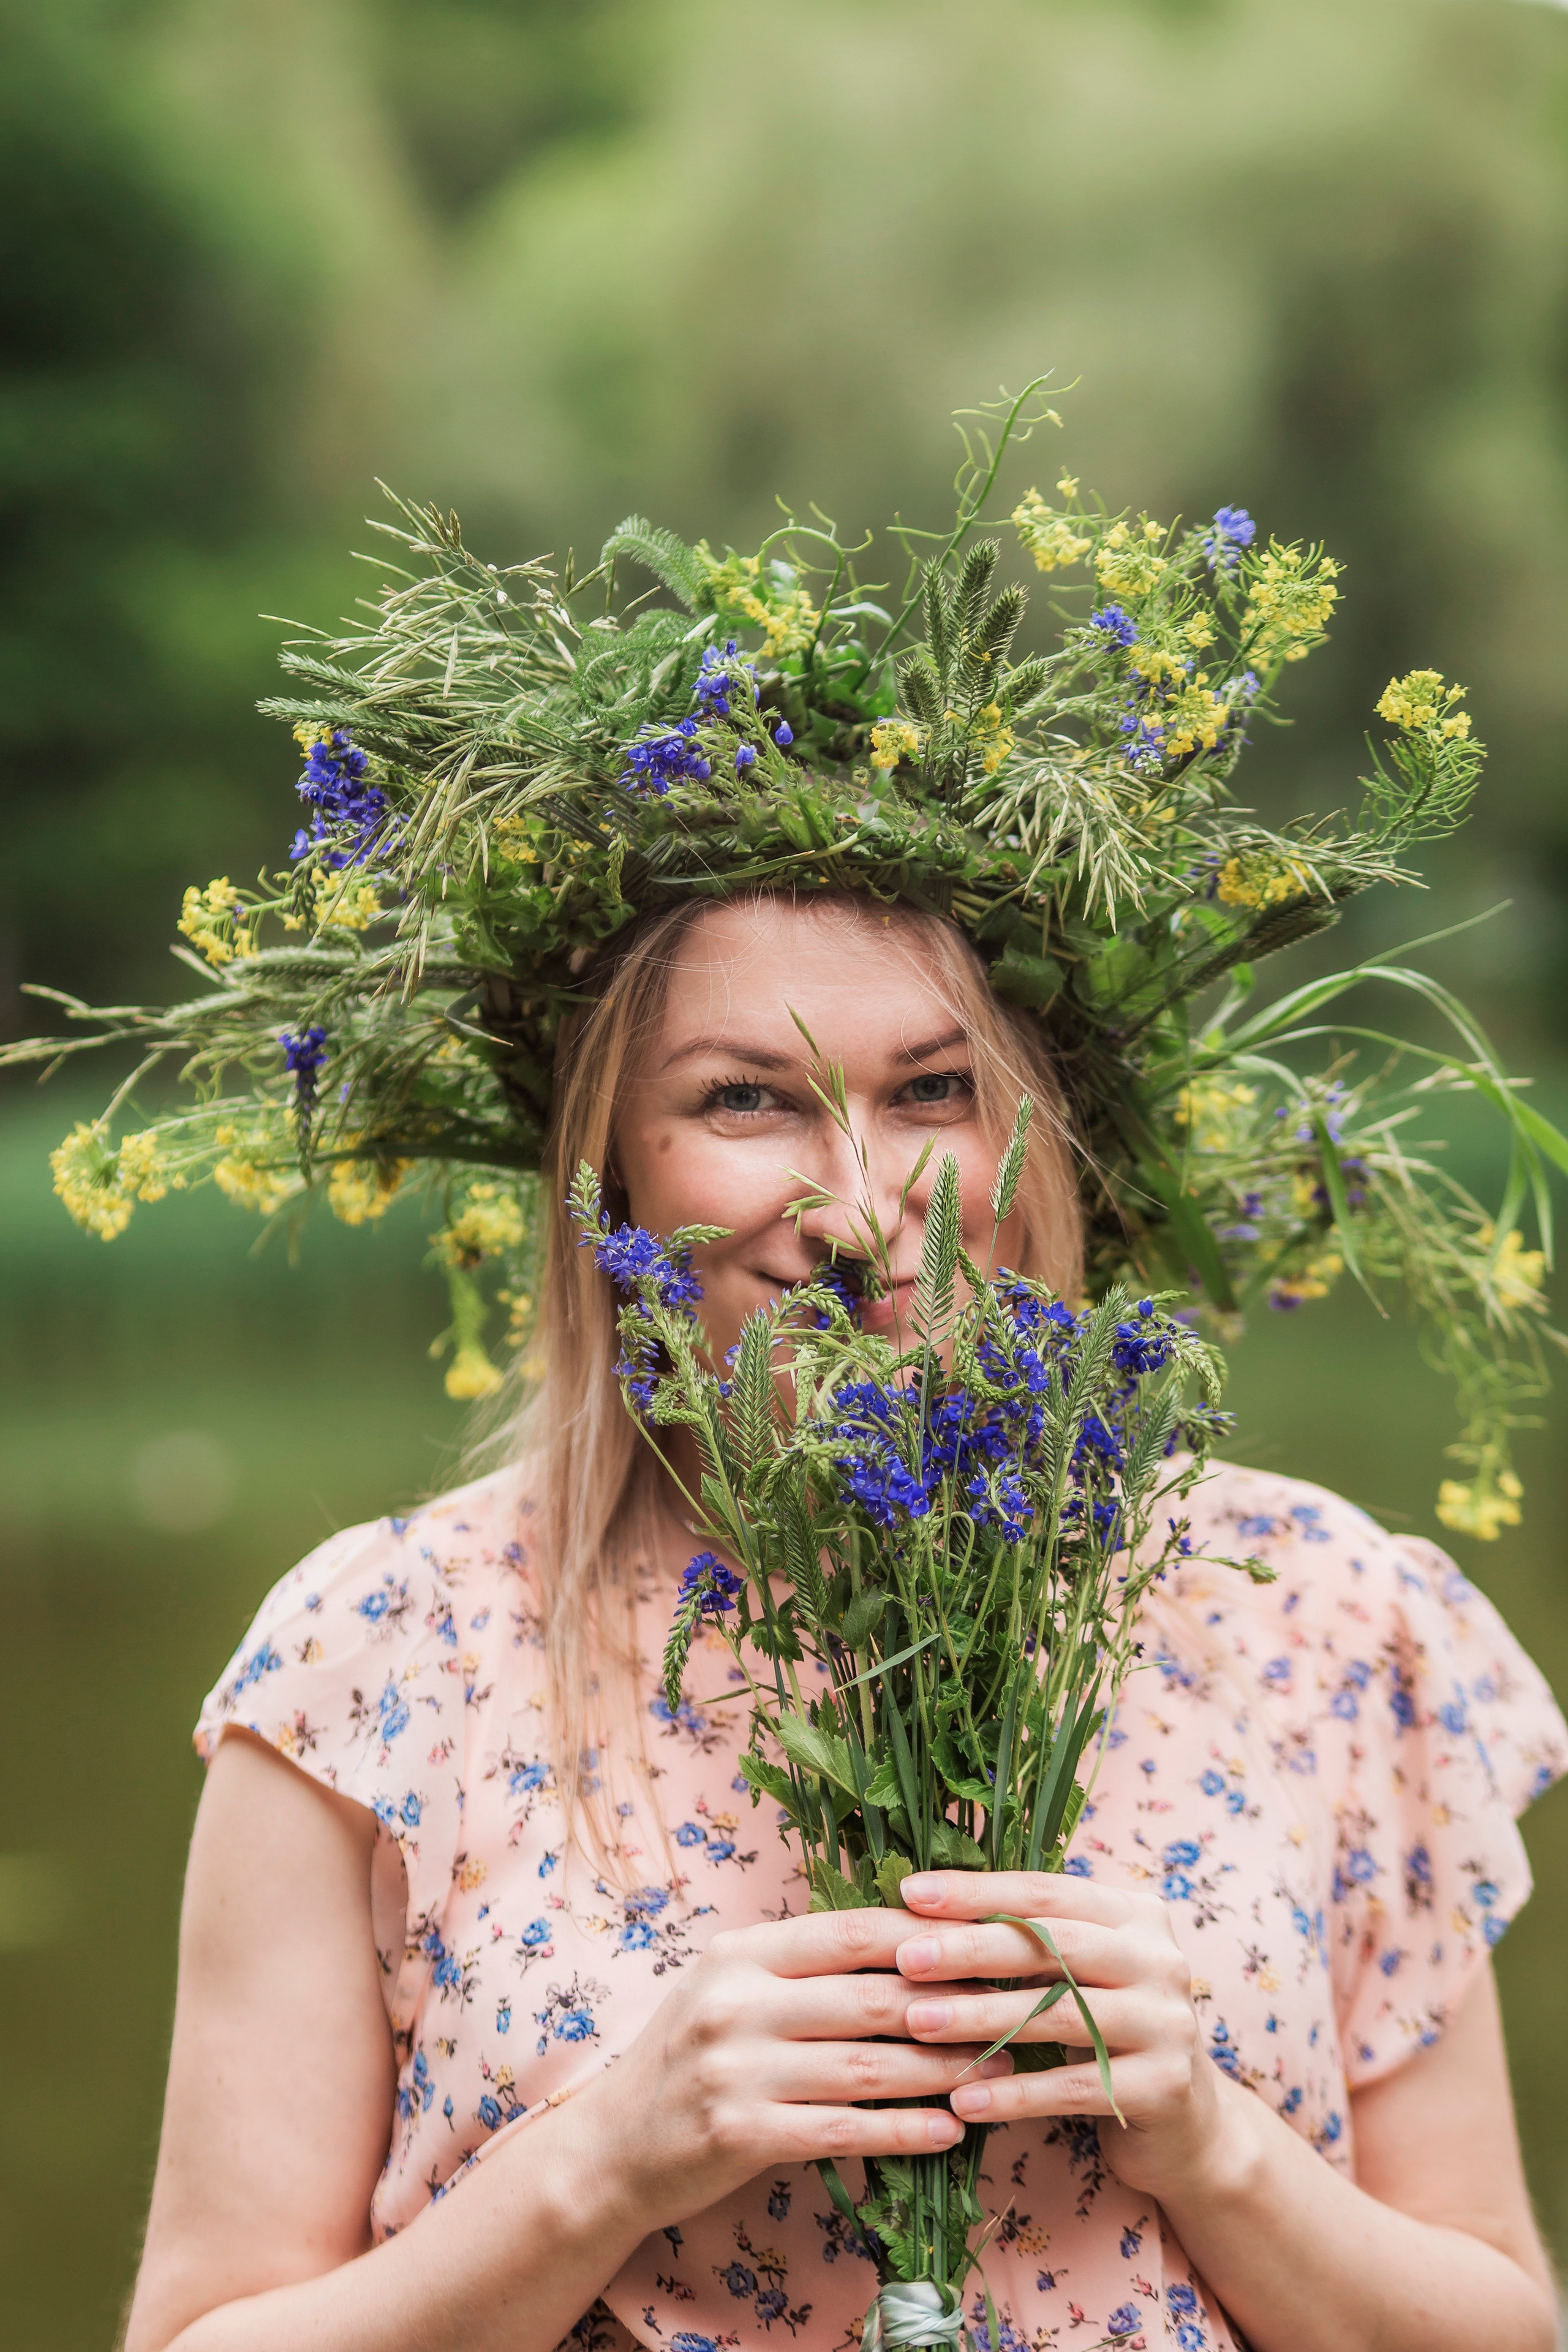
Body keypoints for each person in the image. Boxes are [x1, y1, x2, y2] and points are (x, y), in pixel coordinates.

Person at [123, 890, 1566, 2352]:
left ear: (1032, 1136)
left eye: (933, 1090)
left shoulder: (1311, 1608)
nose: (859, 1209)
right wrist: (600, 2167)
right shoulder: (380, 1649)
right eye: (743, 1098)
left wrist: (1215, 2148)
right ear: (607, 1158)